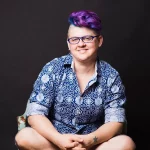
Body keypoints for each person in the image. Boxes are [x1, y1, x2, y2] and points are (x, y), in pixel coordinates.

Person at [15, 10, 136, 150]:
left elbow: (115, 121)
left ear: (99, 41)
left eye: (88, 38)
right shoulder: (53, 68)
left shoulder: (111, 76)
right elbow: (35, 113)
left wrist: (88, 141)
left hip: (92, 143)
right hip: (55, 141)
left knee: (126, 143)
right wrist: (59, 139)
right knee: (24, 136)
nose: (81, 44)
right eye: (75, 39)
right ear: (68, 43)